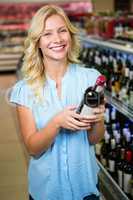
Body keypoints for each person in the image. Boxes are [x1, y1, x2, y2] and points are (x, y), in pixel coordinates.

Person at [10, 5, 105, 200]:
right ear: (37, 42)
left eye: (62, 31)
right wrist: (56, 122)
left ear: (70, 35)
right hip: (46, 191)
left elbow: (94, 139)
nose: (57, 39)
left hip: (85, 189)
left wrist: (97, 119)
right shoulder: (24, 90)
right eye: (47, 34)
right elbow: (32, 148)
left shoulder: (91, 80)